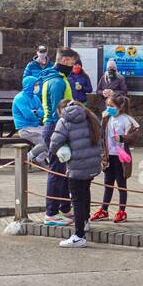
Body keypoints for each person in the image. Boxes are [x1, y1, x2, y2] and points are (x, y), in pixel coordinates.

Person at [47, 100, 103, 248]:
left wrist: (65, 146)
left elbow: (54, 144)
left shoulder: (64, 121)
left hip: (76, 166)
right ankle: (85, 222)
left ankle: (79, 236)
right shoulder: (91, 117)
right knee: (85, 192)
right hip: (92, 164)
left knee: (77, 200)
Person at [39, 47, 81, 224]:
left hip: (54, 127)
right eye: (72, 63)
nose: (74, 66)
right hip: (56, 128)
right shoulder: (58, 82)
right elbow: (59, 111)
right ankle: (51, 213)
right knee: (56, 171)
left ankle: (64, 208)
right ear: (64, 61)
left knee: (62, 170)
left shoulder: (52, 78)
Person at [92, 94, 139, 223]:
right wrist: (102, 120)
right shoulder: (107, 118)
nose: (109, 108)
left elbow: (134, 136)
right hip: (109, 156)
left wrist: (122, 138)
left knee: (121, 185)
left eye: (111, 106)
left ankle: (122, 211)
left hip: (121, 157)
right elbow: (101, 133)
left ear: (120, 107)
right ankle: (104, 210)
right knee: (108, 184)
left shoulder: (127, 120)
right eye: (107, 105)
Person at [11, 73, 45, 144]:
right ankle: (32, 152)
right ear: (29, 85)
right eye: (35, 85)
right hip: (25, 129)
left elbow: (43, 113)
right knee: (45, 143)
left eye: (38, 85)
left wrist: (35, 112)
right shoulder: (20, 98)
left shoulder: (35, 98)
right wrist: (37, 113)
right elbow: (28, 116)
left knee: (54, 138)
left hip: (37, 127)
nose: (38, 87)